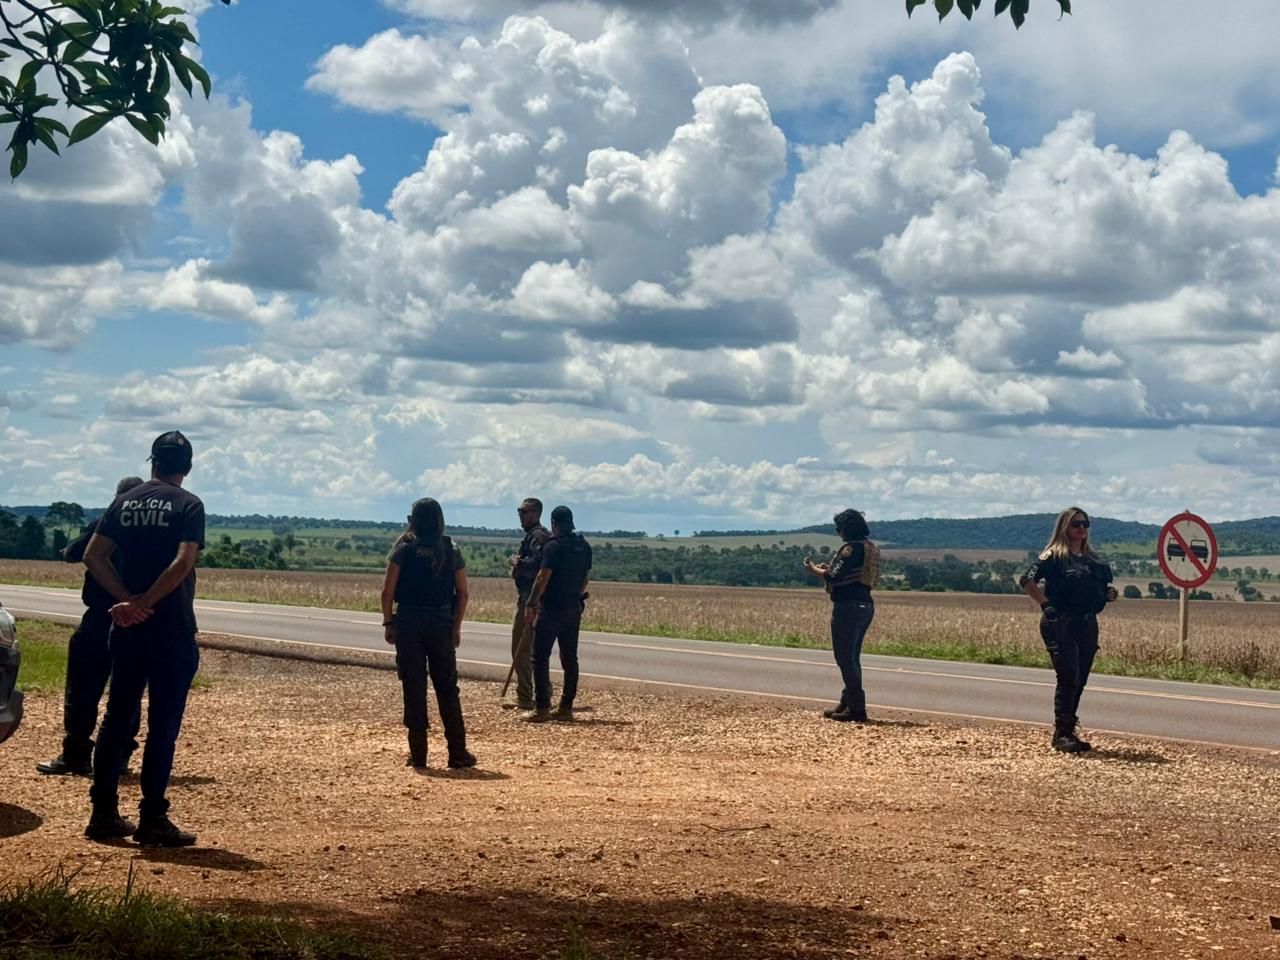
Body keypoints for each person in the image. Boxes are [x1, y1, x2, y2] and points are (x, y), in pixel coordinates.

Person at [82, 431, 205, 846]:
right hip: (171, 628)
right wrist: (150, 600)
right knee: (162, 726)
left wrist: (127, 600)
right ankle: (152, 818)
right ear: (187, 467)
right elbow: (184, 561)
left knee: (117, 717)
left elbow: (92, 555)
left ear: (152, 461)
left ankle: (102, 813)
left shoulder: (124, 501)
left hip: (128, 628)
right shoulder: (189, 505)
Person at [37, 476, 145, 777]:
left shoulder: (107, 519)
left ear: (118, 497)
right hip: (139, 616)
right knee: (129, 688)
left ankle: (77, 753)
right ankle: (121, 754)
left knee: (83, 685)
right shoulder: (154, 528)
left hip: (101, 615)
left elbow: (73, 553)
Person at [381, 497, 476, 770]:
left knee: (414, 687)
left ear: (414, 519)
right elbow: (463, 592)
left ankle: (419, 755)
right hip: (440, 622)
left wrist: (389, 623)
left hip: (409, 622)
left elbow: (388, 592)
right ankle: (457, 753)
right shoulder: (450, 548)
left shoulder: (403, 549)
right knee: (447, 688)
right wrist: (455, 626)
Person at [1019, 507, 1118, 754]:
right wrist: (1045, 604)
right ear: (1064, 527)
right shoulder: (1053, 556)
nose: (1081, 529)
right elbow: (1026, 580)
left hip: (1087, 622)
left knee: (1080, 679)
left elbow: (1100, 588)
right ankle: (1062, 733)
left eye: (1085, 524)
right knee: (1069, 677)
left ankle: (1068, 729)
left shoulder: (1092, 558)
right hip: (1060, 622)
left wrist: (1109, 595)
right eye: (1076, 524)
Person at [804, 508, 879, 723]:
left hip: (847, 606)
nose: (838, 533)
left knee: (845, 658)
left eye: (839, 528)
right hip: (865, 605)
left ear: (846, 528)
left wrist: (813, 570)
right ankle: (847, 702)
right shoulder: (869, 547)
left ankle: (856, 708)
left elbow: (833, 576)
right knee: (852, 658)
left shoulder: (850, 549)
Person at [523, 505, 591, 723]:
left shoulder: (553, 547)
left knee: (539, 657)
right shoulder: (584, 546)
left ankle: (541, 707)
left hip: (551, 608)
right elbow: (585, 579)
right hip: (573, 607)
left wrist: (531, 603)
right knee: (570, 658)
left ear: (553, 523)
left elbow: (542, 577)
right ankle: (566, 707)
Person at [505, 498, 550, 710]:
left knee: (521, 648)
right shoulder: (533, 536)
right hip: (531, 598)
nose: (520, 516)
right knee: (534, 649)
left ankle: (525, 696)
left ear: (535, 513)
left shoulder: (538, 536)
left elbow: (537, 566)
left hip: (531, 600)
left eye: (524, 512)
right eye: (519, 511)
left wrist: (517, 562)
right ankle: (543, 693)